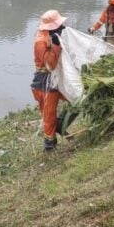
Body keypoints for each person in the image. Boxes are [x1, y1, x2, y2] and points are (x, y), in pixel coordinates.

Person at [31, 9, 67, 151]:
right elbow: (50, 65)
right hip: (45, 82)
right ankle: (49, 145)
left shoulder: (53, 35)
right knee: (49, 114)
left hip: (56, 78)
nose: (61, 28)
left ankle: (60, 124)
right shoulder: (40, 43)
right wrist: (56, 46)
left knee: (77, 98)